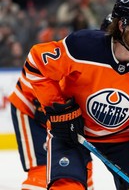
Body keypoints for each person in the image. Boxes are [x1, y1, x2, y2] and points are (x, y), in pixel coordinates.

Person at [19, 0, 129, 190]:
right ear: (121, 25)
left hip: (122, 138)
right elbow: (37, 62)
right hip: (72, 131)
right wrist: (57, 108)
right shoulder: (82, 47)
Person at [8, 14, 113, 189]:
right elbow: (46, 87)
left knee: (82, 173)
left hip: (65, 116)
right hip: (33, 109)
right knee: (44, 171)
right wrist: (54, 115)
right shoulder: (83, 55)